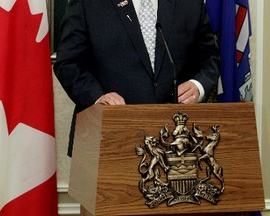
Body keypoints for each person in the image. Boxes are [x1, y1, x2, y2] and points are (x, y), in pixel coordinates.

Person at [54, 0, 220, 213]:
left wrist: (198, 86)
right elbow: (68, 63)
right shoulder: (88, 3)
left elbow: (210, 60)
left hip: (175, 152)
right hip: (108, 144)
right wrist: (98, 97)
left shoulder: (190, 3)